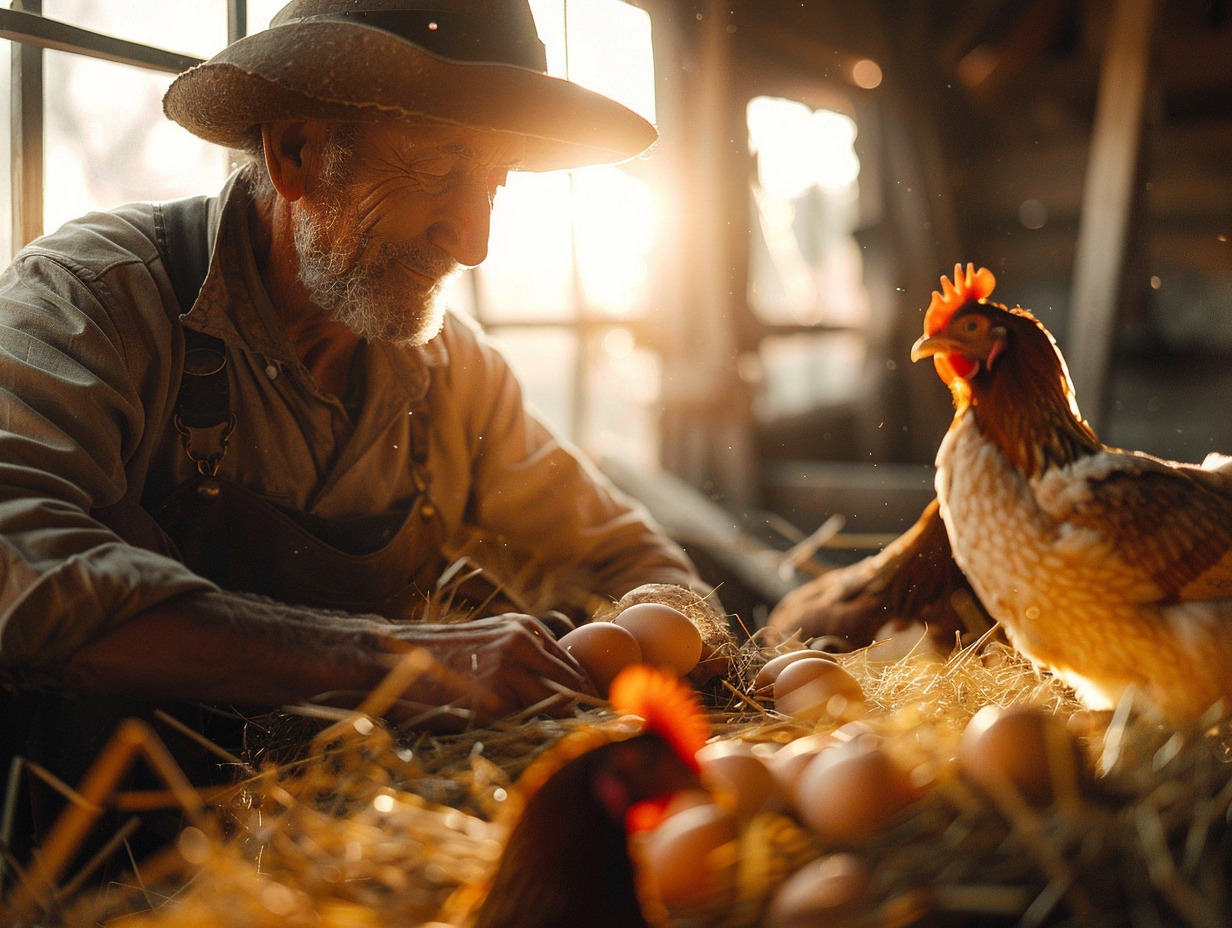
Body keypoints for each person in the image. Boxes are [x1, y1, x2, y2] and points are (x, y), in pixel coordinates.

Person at [0, 0, 733, 807]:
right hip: (97, 873)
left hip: (339, 859)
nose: (475, 240)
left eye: (493, 183)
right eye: (437, 170)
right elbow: (17, 569)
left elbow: (635, 559)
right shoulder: (96, 303)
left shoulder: (453, 374)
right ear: (297, 152)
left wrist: (657, 629)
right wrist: (400, 664)